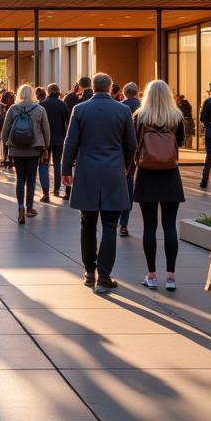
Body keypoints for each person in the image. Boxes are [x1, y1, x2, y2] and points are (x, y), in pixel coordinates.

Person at [61, 72, 138, 294]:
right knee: (110, 225)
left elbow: (71, 141)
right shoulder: (123, 110)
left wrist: (66, 170)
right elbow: (131, 144)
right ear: (111, 87)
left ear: (92, 88)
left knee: (87, 223)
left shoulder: (80, 109)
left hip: (87, 173)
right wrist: (127, 165)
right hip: (114, 171)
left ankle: (88, 272)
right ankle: (104, 276)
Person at [132, 80, 185, 291]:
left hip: (146, 173)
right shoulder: (176, 117)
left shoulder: (139, 117)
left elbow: (134, 143)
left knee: (149, 226)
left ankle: (152, 275)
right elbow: (179, 142)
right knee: (170, 226)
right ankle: (171, 277)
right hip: (170, 174)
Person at [2, 84, 51, 224]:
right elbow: (46, 131)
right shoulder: (40, 109)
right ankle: (29, 208)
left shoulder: (12, 109)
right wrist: (45, 147)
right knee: (31, 179)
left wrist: (6, 146)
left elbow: (5, 130)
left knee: (20, 178)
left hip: (16, 148)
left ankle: (20, 207)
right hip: (34, 149)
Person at [118, 82, 141, 236]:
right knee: (129, 189)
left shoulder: (119, 108)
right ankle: (124, 224)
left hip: (120, 154)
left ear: (125, 93)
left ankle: (119, 220)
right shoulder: (142, 108)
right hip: (138, 155)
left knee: (120, 187)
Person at [39, 83, 69, 200]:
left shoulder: (42, 105)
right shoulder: (63, 104)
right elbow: (68, 122)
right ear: (58, 92)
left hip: (45, 141)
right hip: (60, 139)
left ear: (48, 91)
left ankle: (45, 192)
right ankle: (56, 189)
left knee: (44, 165)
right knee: (57, 164)